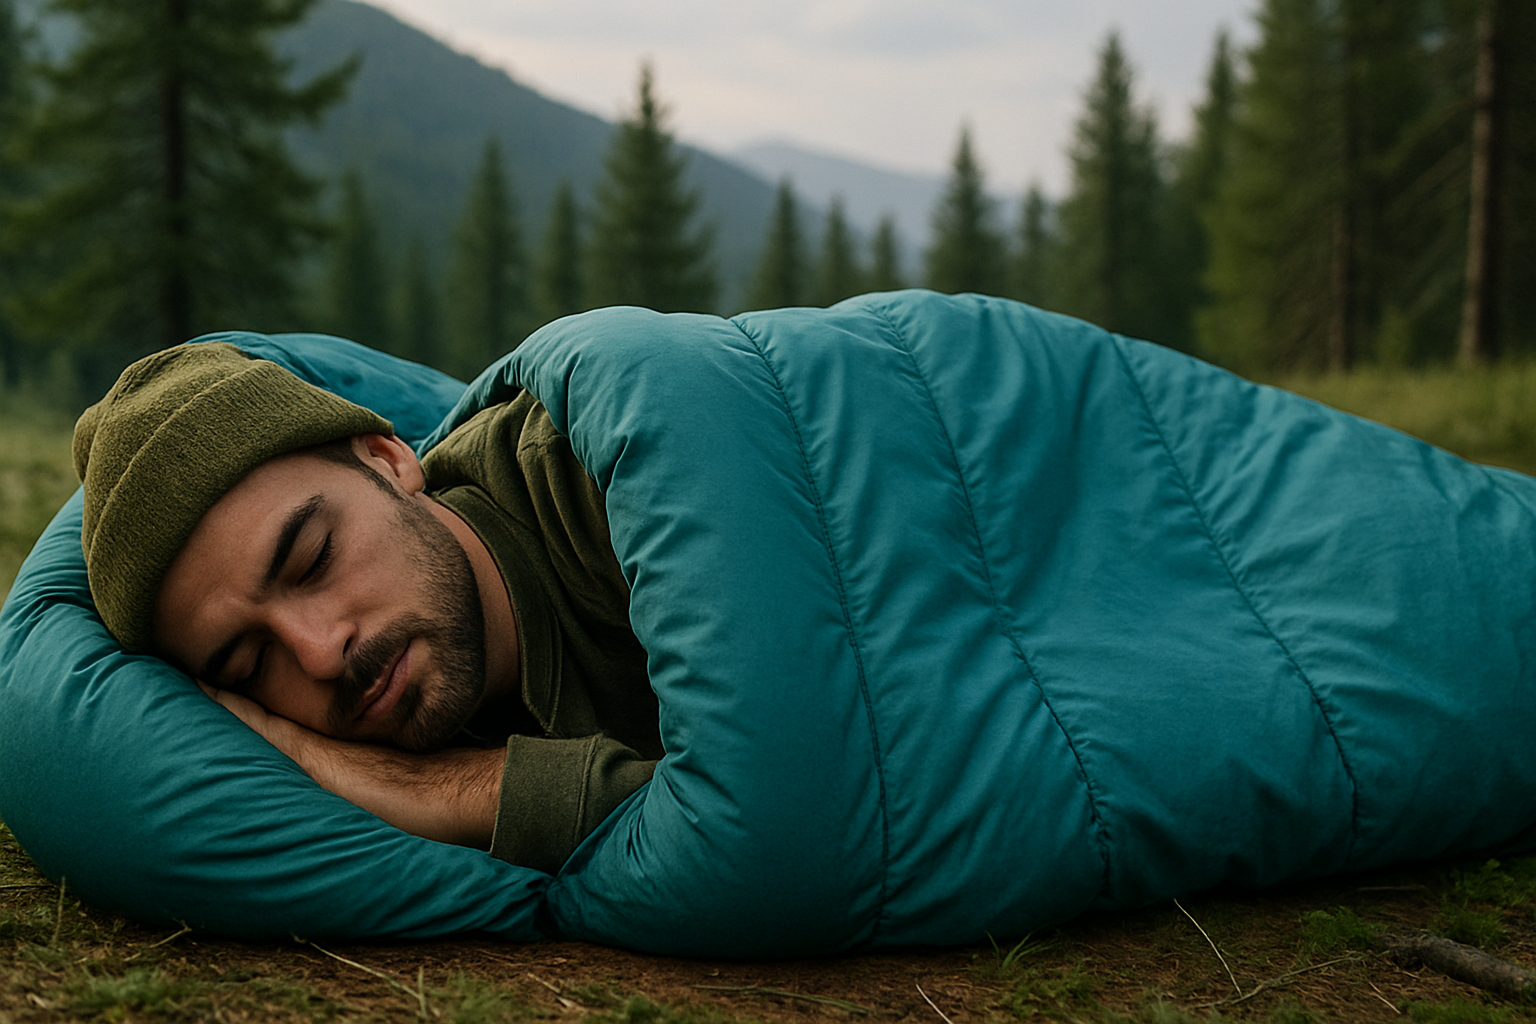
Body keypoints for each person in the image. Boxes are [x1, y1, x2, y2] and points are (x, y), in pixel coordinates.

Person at [72, 340, 659, 874]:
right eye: (251, 665)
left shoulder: (612, 473)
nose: (320, 654)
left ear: (387, 458)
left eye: (313, 560)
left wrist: (437, 791)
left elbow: (744, 827)